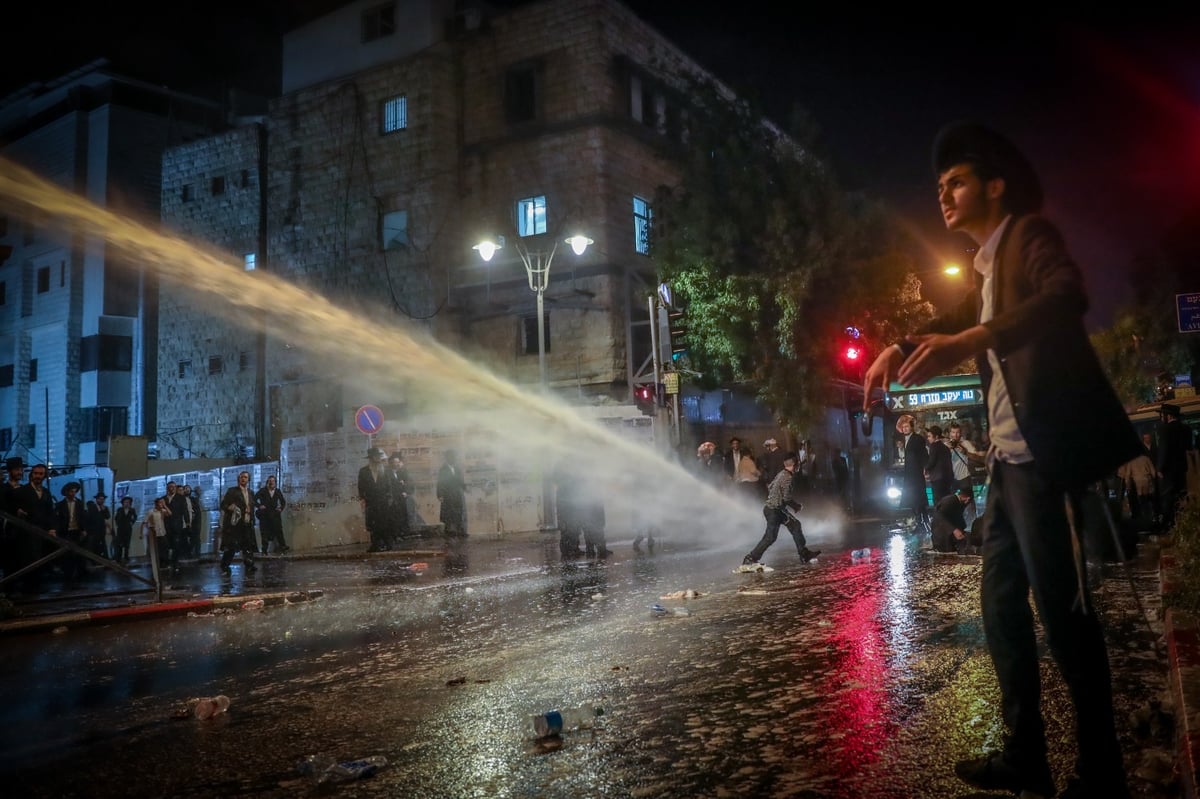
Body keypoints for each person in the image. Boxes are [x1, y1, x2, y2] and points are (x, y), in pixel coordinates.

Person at [862, 121, 1141, 799]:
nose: (944, 194)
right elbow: (953, 314)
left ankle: (1101, 771)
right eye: (937, 185)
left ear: (994, 184)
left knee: (1066, 615)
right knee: (999, 606)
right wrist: (895, 349)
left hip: (1049, 461)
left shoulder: (1028, 237)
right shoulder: (986, 268)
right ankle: (1026, 755)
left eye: (956, 180)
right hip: (1009, 469)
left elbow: (1066, 293)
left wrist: (981, 335)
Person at [741, 452, 820, 566]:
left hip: (775, 509)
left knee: (795, 525)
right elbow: (787, 498)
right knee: (770, 537)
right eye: (798, 464)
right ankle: (750, 558)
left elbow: (771, 486)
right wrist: (796, 506)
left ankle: (804, 554)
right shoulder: (787, 477)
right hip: (774, 511)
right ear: (795, 465)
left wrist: (776, 498)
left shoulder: (781, 473)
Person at [1157, 403, 1194, 532]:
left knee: (1168, 498)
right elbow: (1189, 448)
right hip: (1182, 468)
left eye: (1162, 415)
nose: (1161, 417)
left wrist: (1160, 468)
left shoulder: (1165, 429)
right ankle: (1183, 523)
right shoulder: (1186, 429)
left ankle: (1169, 526)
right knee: (1181, 495)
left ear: (1168, 416)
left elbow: (1164, 450)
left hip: (1168, 470)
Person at [218, 470, 257, 575]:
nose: (243, 479)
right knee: (231, 547)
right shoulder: (232, 491)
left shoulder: (251, 492)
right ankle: (225, 566)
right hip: (235, 524)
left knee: (248, 545)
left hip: (247, 522)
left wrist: (251, 516)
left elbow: (252, 506)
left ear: (248, 479)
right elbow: (223, 505)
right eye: (241, 477)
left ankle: (250, 565)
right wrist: (229, 508)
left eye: (245, 477)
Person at [897, 414, 929, 529]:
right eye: (903, 427)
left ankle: (921, 521)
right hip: (909, 473)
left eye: (907, 426)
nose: (905, 428)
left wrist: (925, 469)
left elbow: (923, 455)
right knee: (912, 498)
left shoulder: (918, 438)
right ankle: (919, 520)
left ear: (911, 427)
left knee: (917, 497)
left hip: (916, 473)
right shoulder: (902, 440)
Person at [358, 447, 391, 551]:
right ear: (371, 458)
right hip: (371, 501)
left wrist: (389, 498)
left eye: (379, 458)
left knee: (384, 523)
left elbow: (389, 486)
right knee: (373, 524)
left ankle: (387, 544)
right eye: (376, 457)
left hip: (383, 501)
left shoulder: (386, 470)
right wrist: (362, 499)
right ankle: (375, 545)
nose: (379, 460)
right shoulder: (363, 471)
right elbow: (361, 486)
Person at [56, 482, 88, 579]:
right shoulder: (60, 505)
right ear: (66, 492)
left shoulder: (79, 503)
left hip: (77, 531)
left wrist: (83, 529)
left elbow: (82, 517)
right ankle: (68, 574)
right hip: (66, 532)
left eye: (74, 491)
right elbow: (58, 519)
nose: (73, 494)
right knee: (67, 554)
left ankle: (80, 573)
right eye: (71, 491)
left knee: (79, 553)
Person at [931, 486, 976, 554]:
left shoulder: (959, 502)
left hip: (950, 531)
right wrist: (954, 530)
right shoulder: (950, 501)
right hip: (942, 534)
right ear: (967, 499)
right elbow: (939, 516)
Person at [436, 449, 468, 538]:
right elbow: (440, 483)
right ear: (447, 458)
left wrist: (465, 488)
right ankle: (449, 532)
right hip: (448, 494)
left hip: (458, 494)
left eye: (454, 457)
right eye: (451, 456)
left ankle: (461, 531)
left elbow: (461, 481)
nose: (454, 458)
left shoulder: (457, 468)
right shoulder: (443, 469)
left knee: (460, 512)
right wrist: (440, 495)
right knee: (449, 513)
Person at [254, 475, 288, 554]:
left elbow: (283, 502)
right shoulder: (263, 490)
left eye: (273, 481)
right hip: (265, 515)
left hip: (275, 515)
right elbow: (254, 499)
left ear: (275, 483)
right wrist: (259, 506)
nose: (271, 482)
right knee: (264, 532)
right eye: (270, 481)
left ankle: (283, 547)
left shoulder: (277, 491)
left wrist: (281, 508)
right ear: (267, 482)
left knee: (279, 531)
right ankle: (264, 550)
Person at [947, 420, 980, 496]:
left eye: (957, 432)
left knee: (968, 502)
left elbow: (976, 457)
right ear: (950, 433)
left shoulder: (966, 443)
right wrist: (948, 450)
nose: (955, 435)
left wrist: (965, 452)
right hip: (951, 478)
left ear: (960, 433)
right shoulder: (946, 445)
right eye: (953, 432)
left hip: (964, 477)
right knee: (952, 502)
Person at [924, 425, 955, 505]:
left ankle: (939, 517)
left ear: (936, 436)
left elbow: (932, 462)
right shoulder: (945, 448)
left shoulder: (934, 446)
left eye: (930, 436)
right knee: (946, 501)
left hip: (937, 479)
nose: (928, 438)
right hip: (947, 478)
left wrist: (925, 468)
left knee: (938, 501)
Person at [386, 452, 412, 546]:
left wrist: (406, 491)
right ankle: (395, 536)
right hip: (393, 500)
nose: (396, 464)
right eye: (394, 462)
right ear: (390, 463)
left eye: (398, 462)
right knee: (394, 518)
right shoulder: (387, 473)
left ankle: (401, 534)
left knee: (402, 517)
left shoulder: (401, 472)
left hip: (401, 499)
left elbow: (408, 484)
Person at [141, 497, 169, 573]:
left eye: (162, 502)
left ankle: (164, 563)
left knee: (164, 547)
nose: (161, 504)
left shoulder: (162, 511)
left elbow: (169, 513)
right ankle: (157, 564)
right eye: (160, 503)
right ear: (156, 504)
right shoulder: (151, 512)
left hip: (162, 532)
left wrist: (165, 506)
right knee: (156, 550)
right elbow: (144, 522)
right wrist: (141, 533)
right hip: (154, 533)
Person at [84, 492, 112, 561]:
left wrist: (103, 509)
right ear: (96, 499)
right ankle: (93, 560)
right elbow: (88, 519)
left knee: (103, 545)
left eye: (103, 499)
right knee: (93, 546)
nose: (101, 501)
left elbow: (107, 516)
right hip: (93, 531)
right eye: (100, 499)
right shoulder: (92, 507)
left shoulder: (105, 508)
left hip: (101, 531)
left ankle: (106, 559)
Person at [113, 496, 137, 566]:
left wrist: (132, 522)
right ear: (122, 503)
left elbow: (135, 517)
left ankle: (126, 557)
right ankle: (118, 558)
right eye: (125, 502)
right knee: (119, 543)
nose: (126, 504)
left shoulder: (132, 510)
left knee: (127, 544)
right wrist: (118, 524)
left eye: (128, 502)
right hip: (120, 529)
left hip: (128, 528)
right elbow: (116, 518)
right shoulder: (119, 510)